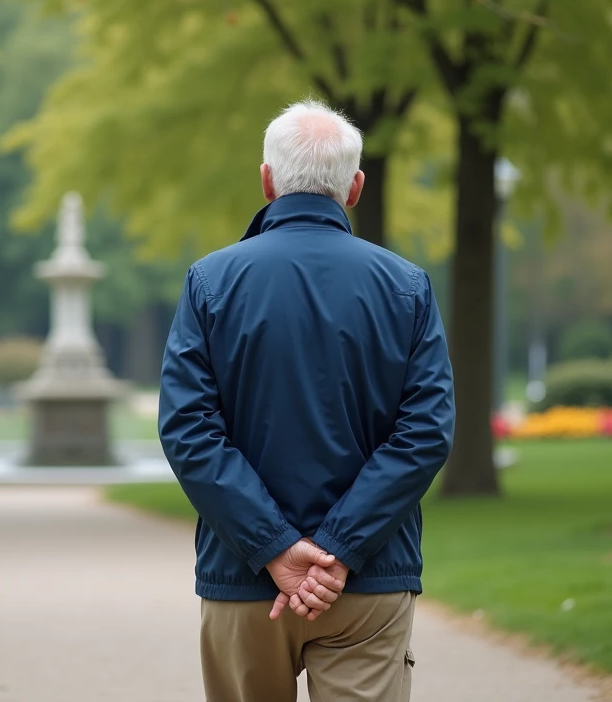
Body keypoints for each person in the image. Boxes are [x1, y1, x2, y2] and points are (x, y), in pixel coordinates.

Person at [158, 100, 455, 702]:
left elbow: (188, 428)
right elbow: (424, 431)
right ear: (355, 186)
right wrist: (338, 549)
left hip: (243, 579)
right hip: (367, 581)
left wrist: (274, 549)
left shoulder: (210, 282)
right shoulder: (406, 286)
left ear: (267, 180)